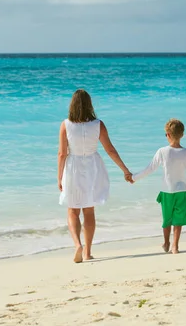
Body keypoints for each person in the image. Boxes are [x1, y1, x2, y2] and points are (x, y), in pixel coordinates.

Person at [57, 89, 133, 263]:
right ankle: (88, 252)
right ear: (89, 104)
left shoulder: (66, 124)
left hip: (73, 166)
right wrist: (125, 170)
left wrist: (59, 177)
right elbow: (110, 150)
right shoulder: (98, 124)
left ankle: (77, 245)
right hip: (93, 166)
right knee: (89, 210)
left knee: (73, 210)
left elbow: (62, 153)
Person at [132, 119, 186, 254]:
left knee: (167, 219)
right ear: (182, 135)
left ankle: (166, 242)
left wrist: (134, 178)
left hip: (166, 190)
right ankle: (175, 246)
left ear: (168, 135)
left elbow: (150, 169)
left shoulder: (162, 151)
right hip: (181, 190)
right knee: (178, 219)